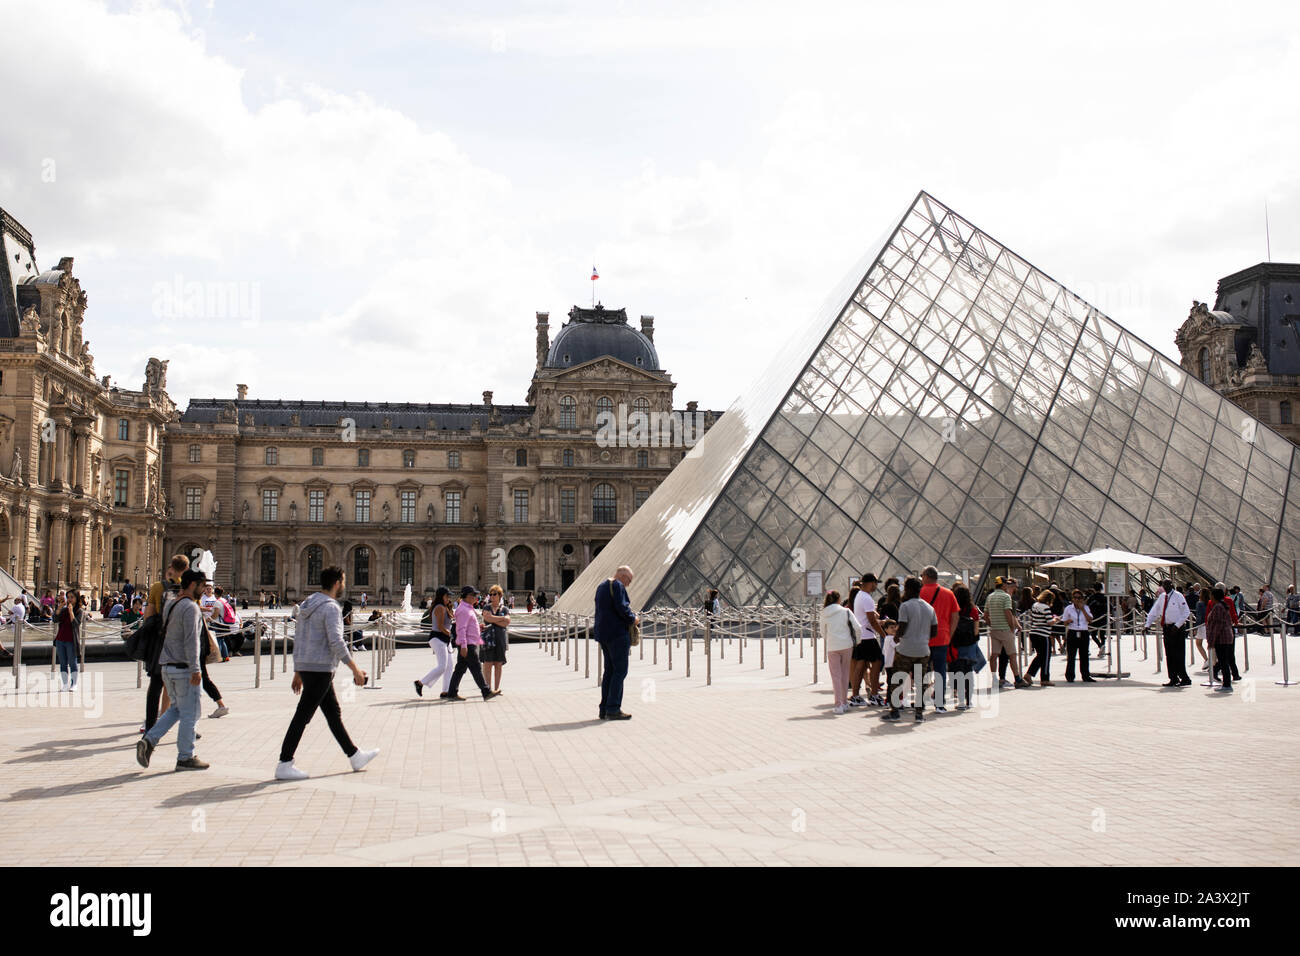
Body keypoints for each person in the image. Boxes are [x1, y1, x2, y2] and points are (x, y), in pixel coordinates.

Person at [275, 566, 377, 780]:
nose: (345, 585)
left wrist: (298, 670)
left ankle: (354, 755)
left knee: (333, 713)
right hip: (320, 668)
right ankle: (284, 763)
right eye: (344, 581)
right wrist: (355, 669)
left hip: (310, 666)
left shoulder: (307, 604)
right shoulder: (331, 607)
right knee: (302, 716)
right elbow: (336, 641)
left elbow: (300, 637)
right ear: (338, 582)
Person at [136, 569, 209, 772]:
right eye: (202, 586)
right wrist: (196, 669)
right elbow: (192, 641)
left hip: (167, 665)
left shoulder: (172, 603)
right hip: (184, 668)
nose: (204, 591)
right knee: (191, 713)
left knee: (176, 709)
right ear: (193, 585)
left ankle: (149, 740)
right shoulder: (191, 608)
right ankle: (185, 757)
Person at [885, 576, 936, 722]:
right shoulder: (929, 607)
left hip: (906, 649)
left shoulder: (905, 606)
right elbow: (934, 631)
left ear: (907, 589)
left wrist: (896, 637)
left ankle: (895, 711)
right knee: (921, 682)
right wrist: (923, 637)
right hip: (923, 649)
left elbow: (902, 627)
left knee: (897, 680)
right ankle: (919, 714)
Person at [593, 565, 638, 720]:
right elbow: (622, 608)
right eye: (629, 580)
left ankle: (604, 708)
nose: (629, 584)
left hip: (603, 634)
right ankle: (613, 708)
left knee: (609, 671)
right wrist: (634, 619)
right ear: (623, 576)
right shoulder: (617, 585)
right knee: (620, 671)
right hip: (617, 634)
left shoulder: (602, 586)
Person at [445, 586, 499, 702]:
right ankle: (486, 691)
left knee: (460, 669)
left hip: (469, 643)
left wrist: (478, 628)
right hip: (468, 645)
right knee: (476, 668)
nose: (477, 598)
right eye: (475, 595)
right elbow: (461, 629)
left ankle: (452, 692)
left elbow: (467, 627)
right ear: (468, 596)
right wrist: (464, 646)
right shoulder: (463, 610)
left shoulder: (468, 608)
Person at [918, 566, 958, 712]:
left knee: (921, 670)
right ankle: (940, 704)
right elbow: (955, 616)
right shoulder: (948, 593)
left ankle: (920, 702)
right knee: (940, 671)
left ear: (927, 576)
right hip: (942, 637)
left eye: (922, 575)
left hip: (923, 638)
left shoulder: (919, 593)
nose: (921, 578)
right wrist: (949, 634)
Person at [821, 589, 861, 714]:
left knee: (836, 676)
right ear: (839, 599)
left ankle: (838, 704)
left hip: (833, 646)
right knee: (845, 674)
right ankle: (844, 702)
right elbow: (858, 627)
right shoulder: (846, 611)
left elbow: (823, 631)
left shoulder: (824, 613)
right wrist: (857, 641)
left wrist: (829, 639)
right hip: (847, 645)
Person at [1146, 579, 1192, 687]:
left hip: (1177, 628)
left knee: (1179, 654)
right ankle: (1173, 677)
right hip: (1167, 628)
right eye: (1163, 585)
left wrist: (1177, 625)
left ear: (1172, 585)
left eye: (1167, 584)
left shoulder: (1178, 596)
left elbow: (1186, 612)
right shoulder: (1162, 597)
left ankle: (1184, 678)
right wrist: (1147, 625)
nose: (1165, 586)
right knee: (1169, 654)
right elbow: (1154, 611)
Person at [984, 577, 1028, 689]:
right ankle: (1017, 679)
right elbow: (1008, 613)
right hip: (1005, 629)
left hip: (994, 630)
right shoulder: (1005, 596)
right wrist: (1012, 628)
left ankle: (994, 679)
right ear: (1003, 585)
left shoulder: (990, 597)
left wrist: (991, 624)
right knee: (1012, 655)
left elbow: (985, 615)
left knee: (994, 655)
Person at [849, 573, 886, 707]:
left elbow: (868, 619)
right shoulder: (867, 598)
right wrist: (884, 635)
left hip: (861, 635)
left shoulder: (859, 596)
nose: (876, 586)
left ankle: (855, 695)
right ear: (870, 583)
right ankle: (875, 695)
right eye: (875, 583)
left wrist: (878, 622)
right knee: (877, 662)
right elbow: (871, 620)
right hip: (868, 636)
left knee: (861, 665)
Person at [414, 587, 456, 698]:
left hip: (445, 639)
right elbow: (441, 626)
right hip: (438, 638)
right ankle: (420, 683)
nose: (449, 598)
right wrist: (451, 634)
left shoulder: (445, 607)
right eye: (447, 596)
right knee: (442, 666)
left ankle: (446, 691)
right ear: (442, 596)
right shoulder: (439, 607)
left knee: (450, 666)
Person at [950, 584, 985, 709]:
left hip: (956, 644)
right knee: (968, 672)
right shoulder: (973, 610)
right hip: (970, 645)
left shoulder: (954, 609)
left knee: (958, 672)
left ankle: (960, 702)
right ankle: (969, 701)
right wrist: (974, 639)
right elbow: (976, 630)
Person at [479, 584, 511, 693]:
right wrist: (502, 618)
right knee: (487, 663)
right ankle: (488, 688)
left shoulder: (505, 608)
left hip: (500, 639)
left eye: (494, 594)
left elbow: (506, 623)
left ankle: (497, 689)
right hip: (488, 639)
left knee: (498, 663)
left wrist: (493, 620)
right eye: (490, 594)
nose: (492, 596)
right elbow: (487, 618)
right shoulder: (486, 607)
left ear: (500, 595)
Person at [1061, 588, 1096, 683]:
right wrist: (1068, 621)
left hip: (1083, 632)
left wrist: (1083, 609)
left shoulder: (1086, 608)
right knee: (1071, 655)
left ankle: (1085, 675)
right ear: (1072, 599)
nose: (1077, 600)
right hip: (1072, 632)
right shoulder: (1068, 608)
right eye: (1075, 598)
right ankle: (1070, 675)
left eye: (1079, 598)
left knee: (1084, 655)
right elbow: (1064, 622)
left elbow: (1090, 619)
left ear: (1082, 599)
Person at [1205, 587, 1236, 693]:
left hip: (1221, 638)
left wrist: (1211, 641)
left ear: (1214, 596)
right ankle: (1226, 683)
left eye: (1211, 595)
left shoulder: (1218, 607)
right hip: (1226, 637)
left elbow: (1217, 626)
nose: (1210, 597)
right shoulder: (1222, 605)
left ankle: (1227, 684)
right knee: (1224, 661)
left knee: (1223, 662)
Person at [1024, 589, 1056, 686]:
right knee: (1045, 656)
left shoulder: (1035, 605)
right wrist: (1056, 619)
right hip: (1043, 634)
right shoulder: (1045, 607)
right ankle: (1045, 678)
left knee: (1040, 656)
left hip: (1034, 632)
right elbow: (1049, 622)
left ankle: (1029, 674)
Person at [54, 591, 82, 690]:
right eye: (68, 597)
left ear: (76, 598)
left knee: (72, 663)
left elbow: (75, 624)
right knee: (63, 664)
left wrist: (71, 612)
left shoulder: (79, 611)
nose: (69, 599)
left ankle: (74, 684)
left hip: (71, 640)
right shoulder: (63, 610)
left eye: (72, 597)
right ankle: (65, 684)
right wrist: (59, 608)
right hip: (60, 639)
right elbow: (55, 619)